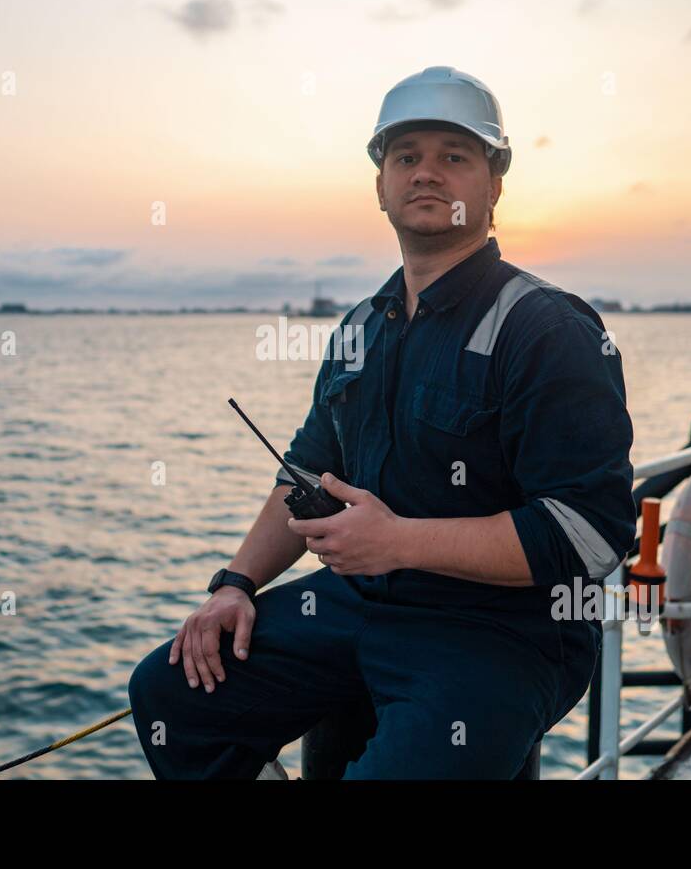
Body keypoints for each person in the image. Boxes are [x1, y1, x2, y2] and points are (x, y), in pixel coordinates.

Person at [129, 66, 636, 779]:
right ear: (380, 186)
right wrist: (235, 585)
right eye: (406, 157)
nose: (426, 172)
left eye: (454, 156)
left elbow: (590, 535)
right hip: (361, 604)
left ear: (494, 184)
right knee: (168, 693)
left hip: (504, 633)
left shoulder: (545, 328)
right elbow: (305, 472)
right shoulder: (361, 326)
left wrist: (398, 541)